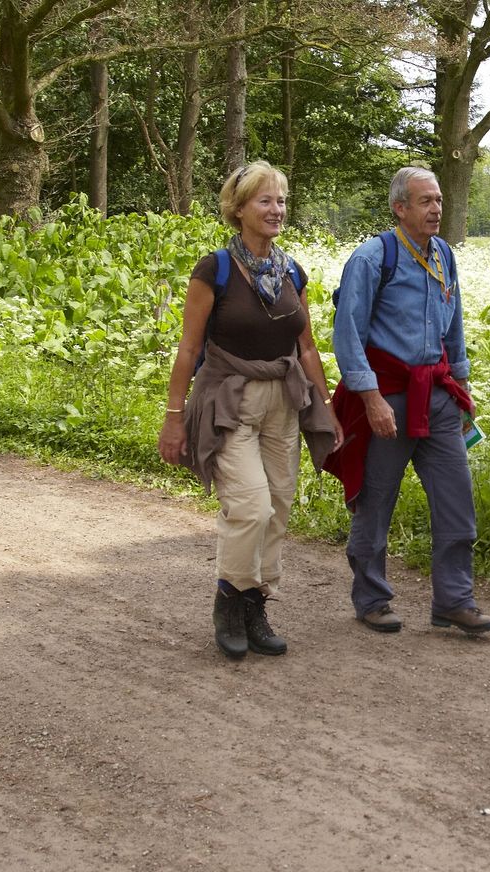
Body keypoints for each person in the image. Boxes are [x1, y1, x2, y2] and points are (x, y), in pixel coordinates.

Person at [158, 160, 338, 661]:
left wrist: (325, 408)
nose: (276, 209)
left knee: (278, 508)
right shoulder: (213, 268)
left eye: (281, 200)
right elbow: (188, 350)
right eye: (265, 200)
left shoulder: (291, 270)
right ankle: (228, 601)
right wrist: (174, 417)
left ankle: (256, 604)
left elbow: (306, 349)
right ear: (238, 210)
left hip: (283, 401)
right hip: (228, 400)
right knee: (251, 507)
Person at [323, 166, 490, 636]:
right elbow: (348, 336)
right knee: (376, 501)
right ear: (400, 208)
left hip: (437, 397)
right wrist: (372, 399)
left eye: (438, 200)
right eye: (425, 201)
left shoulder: (443, 254)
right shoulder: (371, 258)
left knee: (456, 499)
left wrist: (462, 386)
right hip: (388, 399)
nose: (436, 208)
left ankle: (454, 601)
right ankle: (372, 598)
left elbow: (454, 324)